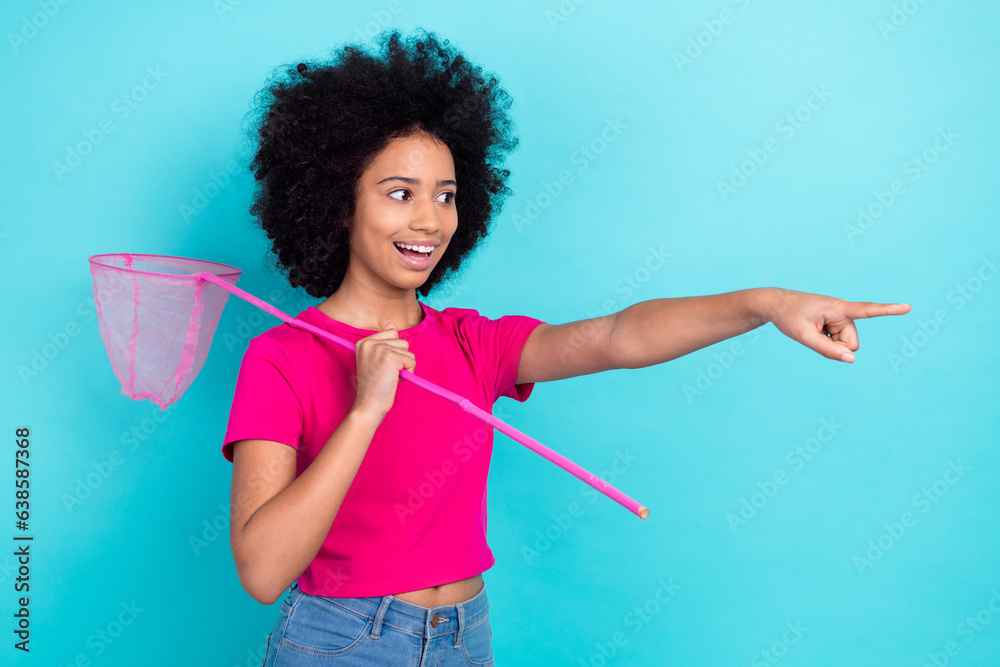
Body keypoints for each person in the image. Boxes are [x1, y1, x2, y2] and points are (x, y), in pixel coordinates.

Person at [222, 28, 910, 667]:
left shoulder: (469, 341)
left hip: (466, 633)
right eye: (399, 194)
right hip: (343, 641)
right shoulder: (284, 357)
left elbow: (618, 335)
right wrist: (366, 411)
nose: (429, 220)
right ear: (338, 203)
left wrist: (765, 303)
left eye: (446, 195)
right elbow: (261, 570)